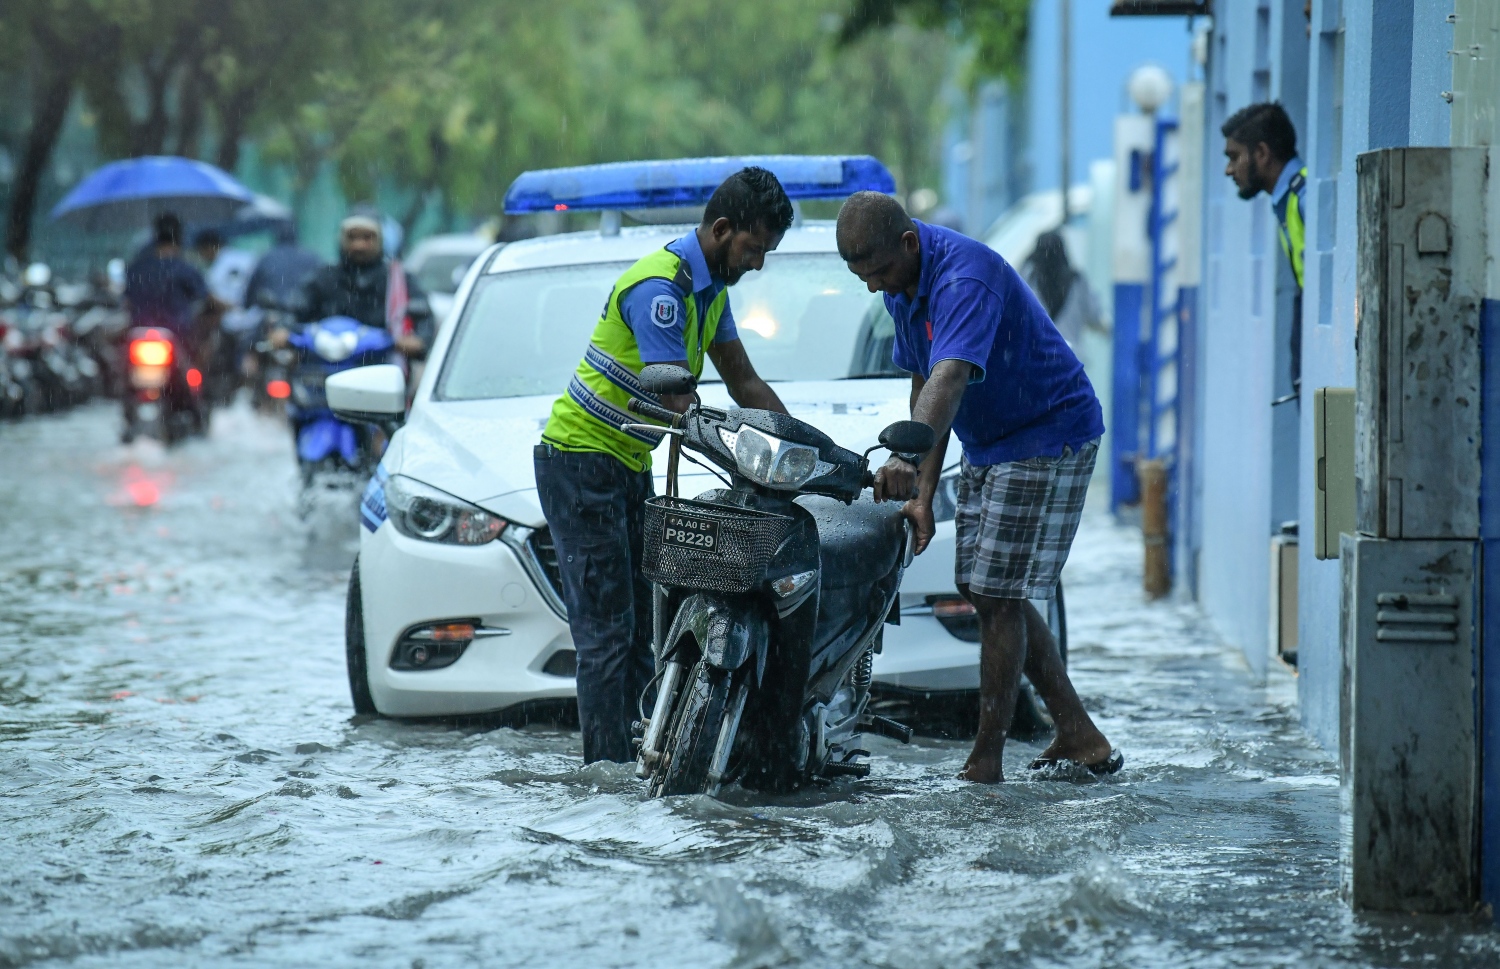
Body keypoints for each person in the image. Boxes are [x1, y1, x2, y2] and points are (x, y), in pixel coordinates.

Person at [836, 191, 1118, 784]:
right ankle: (1078, 734)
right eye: (862, 277)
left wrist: (905, 458)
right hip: (993, 441)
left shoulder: (966, 276)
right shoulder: (900, 288)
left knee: (995, 592)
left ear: (909, 243)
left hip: (1048, 432)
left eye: (879, 272)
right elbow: (924, 377)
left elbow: (951, 375)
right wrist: (921, 488)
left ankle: (987, 760)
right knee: (986, 588)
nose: (873, 288)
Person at [534, 167, 793, 764]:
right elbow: (679, 402)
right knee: (606, 637)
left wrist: (805, 448)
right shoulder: (661, 291)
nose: (758, 264)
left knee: (640, 635)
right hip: (580, 464)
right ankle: (609, 779)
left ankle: (638, 761)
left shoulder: (711, 291)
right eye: (754, 249)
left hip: (623, 463)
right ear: (722, 230)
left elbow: (746, 382)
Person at [1222, 102, 1305, 395]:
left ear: (1261, 153)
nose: (1228, 170)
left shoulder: (1303, 196)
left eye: (1234, 157)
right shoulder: (1287, 199)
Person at [122, 213, 223, 434]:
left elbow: (126, 301)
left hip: (137, 337)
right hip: (177, 338)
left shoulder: (137, 268)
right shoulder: (184, 268)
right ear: (179, 238)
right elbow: (207, 300)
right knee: (197, 375)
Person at [291, 212, 431, 363]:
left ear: (380, 241)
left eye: (367, 238)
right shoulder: (324, 277)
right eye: (352, 237)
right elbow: (294, 308)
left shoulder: (398, 280)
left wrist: (417, 341)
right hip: (322, 365)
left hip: (381, 367)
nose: (359, 245)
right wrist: (283, 327)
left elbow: (423, 316)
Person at [1021, 230, 1103, 348]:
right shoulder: (1077, 281)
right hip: (1069, 355)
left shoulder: (1028, 280)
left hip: (1037, 356)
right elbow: (1094, 315)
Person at [244, 222, 324, 312]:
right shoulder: (312, 258)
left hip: (272, 314)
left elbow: (250, 294)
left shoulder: (266, 258)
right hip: (303, 314)